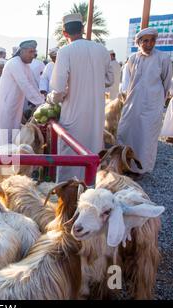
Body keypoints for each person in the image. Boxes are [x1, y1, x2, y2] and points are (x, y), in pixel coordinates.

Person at [47, 13, 114, 183]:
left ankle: (68, 193)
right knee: (91, 151)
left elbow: (58, 88)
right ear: (83, 29)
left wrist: (51, 101)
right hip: (96, 114)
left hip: (73, 113)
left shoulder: (65, 51)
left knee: (71, 153)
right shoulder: (102, 50)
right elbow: (109, 80)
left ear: (64, 33)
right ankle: (90, 189)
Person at [118, 27, 172, 176]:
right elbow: (126, 81)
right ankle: (124, 162)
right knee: (127, 130)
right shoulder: (133, 58)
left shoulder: (163, 58)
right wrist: (125, 97)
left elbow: (167, 82)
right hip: (133, 102)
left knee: (147, 136)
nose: (149, 44)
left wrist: (160, 100)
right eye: (146, 41)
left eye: (152, 40)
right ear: (139, 42)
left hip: (152, 103)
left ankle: (141, 169)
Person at [0, 40, 44, 144]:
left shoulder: (25, 66)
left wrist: (43, 101)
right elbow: (26, 86)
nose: (33, 55)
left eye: (34, 52)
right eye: (31, 52)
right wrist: (41, 104)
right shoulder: (14, 63)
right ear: (22, 51)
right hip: (5, 106)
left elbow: (33, 85)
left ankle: (9, 157)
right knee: (2, 137)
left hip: (14, 106)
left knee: (12, 137)